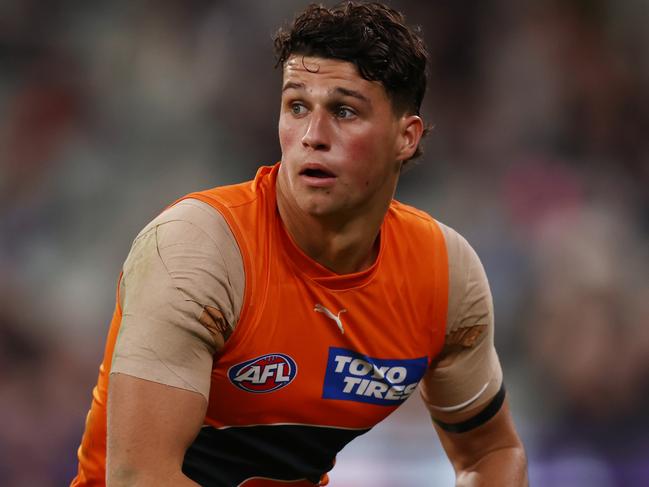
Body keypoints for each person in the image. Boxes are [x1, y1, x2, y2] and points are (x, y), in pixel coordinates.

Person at [71, 2, 528, 486]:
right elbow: (138, 477)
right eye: (297, 107)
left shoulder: (444, 274)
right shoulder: (198, 249)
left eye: (344, 111)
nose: (312, 136)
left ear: (406, 137)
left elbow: (492, 453)